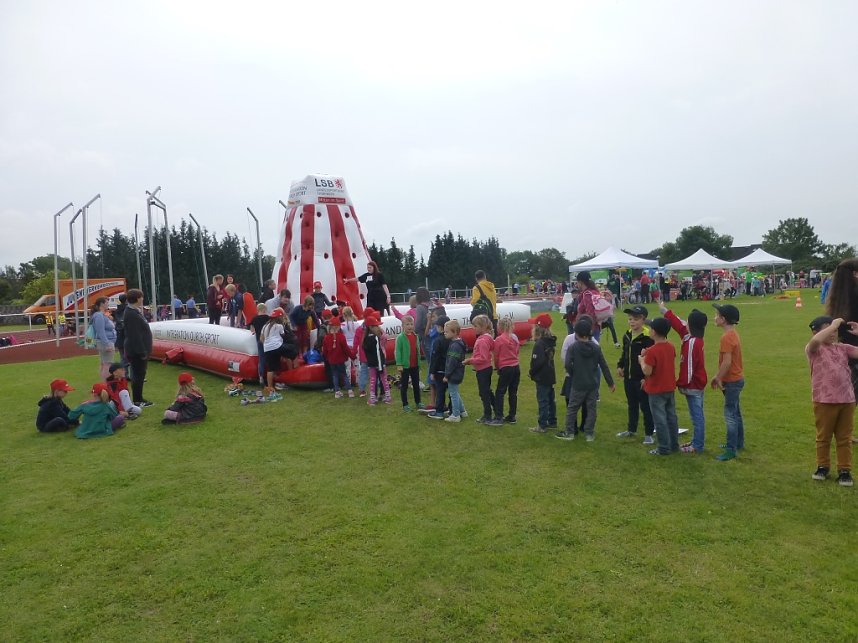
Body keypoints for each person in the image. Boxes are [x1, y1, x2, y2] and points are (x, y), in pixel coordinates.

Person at [805, 316, 858, 486]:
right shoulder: (814, 349)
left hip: (847, 400)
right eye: (828, 329)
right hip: (824, 401)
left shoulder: (843, 348)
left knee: (844, 438)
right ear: (816, 331)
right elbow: (815, 341)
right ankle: (823, 466)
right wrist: (834, 324)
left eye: (835, 330)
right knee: (824, 437)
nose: (833, 333)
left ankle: (844, 470)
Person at [659, 302, 708, 454]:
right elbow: (679, 325)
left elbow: (689, 367)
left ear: (692, 325)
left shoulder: (693, 343)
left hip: (693, 386)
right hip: (693, 385)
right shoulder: (690, 337)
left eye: (688, 321)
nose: (685, 323)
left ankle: (697, 446)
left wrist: (680, 383)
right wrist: (666, 312)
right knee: (696, 414)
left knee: (697, 416)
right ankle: (695, 441)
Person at [556, 317, 615, 441]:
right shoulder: (596, 348)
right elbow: (603, 366)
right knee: (591, 408)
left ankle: (570, 432)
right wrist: (610, 383)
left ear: (576, 334)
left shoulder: (573, 347)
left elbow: (567, 364)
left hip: (578, 383)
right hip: (592, 384)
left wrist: (572, 373)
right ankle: (589, 433)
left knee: (572, 408)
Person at [616, 305, 656, 444]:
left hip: (641, 379)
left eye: (636, 319)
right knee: (632, 404)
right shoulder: (627, 335)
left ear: (643, 320)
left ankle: (649, 434)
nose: (632, 322)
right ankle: (631, 429)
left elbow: (652, 361)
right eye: (630, 319)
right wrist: (620, 366)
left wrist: (647, 378)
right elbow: (625, 353)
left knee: (645, 406)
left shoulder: (648, 338)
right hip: (629, 377)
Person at [639, 317, 679, 455]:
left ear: (654, 332)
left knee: (660, 419)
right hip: (669, 387)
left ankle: (663, 447)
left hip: (656, 390)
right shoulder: (671, 346)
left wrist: (642, 361)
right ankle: (674, 444)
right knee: (671, 417)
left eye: (650, 328)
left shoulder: (652, 352)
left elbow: (647, 371)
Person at [711, 303, 745, 461]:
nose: (715, 317)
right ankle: (738, 442)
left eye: (717, 315)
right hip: (736, 379)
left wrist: (717, 377)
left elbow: (727, 362)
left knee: (730, 414)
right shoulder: (733, 334)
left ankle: (731, 449)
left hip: (731, 381)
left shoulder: (726, 337)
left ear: (723, 319)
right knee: (736, 413)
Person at [464, 314, 497, 425]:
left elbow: (482, 358)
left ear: (483, 327)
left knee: (484, 393)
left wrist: (470, 360)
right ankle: (497, 410)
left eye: (476, 326)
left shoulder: (482, 340)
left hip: (483, 369)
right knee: (487, 391)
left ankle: (487, 415)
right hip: (486, 368)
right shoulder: (487, 338)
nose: (474, 328)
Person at [123, 289, 154, 408]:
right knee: (138, 375)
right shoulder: (131, 314)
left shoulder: (133, 312)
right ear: (136, 298)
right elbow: (134, 335)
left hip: (137, 349)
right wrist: (142, 352)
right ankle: (137, 400)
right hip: (136, 351)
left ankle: (138, 398)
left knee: (139, 375)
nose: (142, 299)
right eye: (141, 297)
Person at [431, 319, 466, 422]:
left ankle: (455, 415)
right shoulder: (458, 342)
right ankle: (462, 411)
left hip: (453, 374)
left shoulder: (454, 346)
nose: (444, 333)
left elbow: (451, 362)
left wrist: (447, 375)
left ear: (454, 332)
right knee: (455, 392)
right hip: (457, 373)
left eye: (447, 332)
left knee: (453, 394)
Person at [528, 314, 557, 433]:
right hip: (550, 374)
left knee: (543, 400)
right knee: (550, 399)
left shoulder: (539, 344)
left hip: (542, 376)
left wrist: (531, 372)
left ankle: (542, 425)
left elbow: (537, 362)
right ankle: (552, 421)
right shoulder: (550, 341)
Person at [261, 308, 298, 399]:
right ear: (279, 317)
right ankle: (295, 375)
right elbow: (284, 336)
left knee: (270, 369)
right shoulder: (279, 326)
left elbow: (262, 339)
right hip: (277, 346)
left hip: (267, 348)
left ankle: (270, 387)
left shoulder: (265, 326)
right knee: (294, 351)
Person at [493, 317, 520, 425]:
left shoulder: (499, 339)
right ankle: (512, 415)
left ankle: (499, 416)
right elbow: (517, 351)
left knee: (500, 392)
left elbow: (496, 355)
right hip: (516, 366)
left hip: (505, 367)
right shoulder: (515, 338)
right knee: (513, 392)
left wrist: (497, 367)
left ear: (500, 327)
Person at [322, 316, 355, 399]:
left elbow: (325, 350)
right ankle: (350, 391)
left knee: (335, 375)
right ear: (339, 326)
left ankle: (337, 392)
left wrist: (325, 357)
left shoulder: (326, 338)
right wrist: (352, 356)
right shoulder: (341, 337)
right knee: (344, 375)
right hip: (341, 359)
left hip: (332, 360)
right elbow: (346, 349)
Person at [394, 315, 423, 411]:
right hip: (405, 366)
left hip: (415, 365)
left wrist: (419, 363)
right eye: (407, 324)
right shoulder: (400, 338)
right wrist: (399, 364)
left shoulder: (416, 336)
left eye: (411, 324)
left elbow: (417, 350)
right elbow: (397, 351)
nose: (410, 326)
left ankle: (418, 402)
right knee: (404, 385)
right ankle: (405, 404)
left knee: (416, 384)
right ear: (402, 326)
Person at [362, 313, 391, 405]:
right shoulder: (375, 338)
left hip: (373, 364)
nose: (378, 327)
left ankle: (373, 398)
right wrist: (380, 365)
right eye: (376, 326)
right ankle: (387, 397)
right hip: (379, 363)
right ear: (371, 327)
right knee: (383, 379)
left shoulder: (365, 339)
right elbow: (378, 352)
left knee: (374, 380)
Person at [425, 315, 450, 417]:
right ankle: (453, 409)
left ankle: (439, 411)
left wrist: (432, 371)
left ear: (440, 327)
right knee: (450, 391)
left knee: (440, 390)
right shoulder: (451, 339)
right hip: (448, 369)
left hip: (439, 370)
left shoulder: (438, 341)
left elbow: (435, 357)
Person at [90, 297, 117, 380]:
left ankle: (104, 383)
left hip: (106, 342)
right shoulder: (99, 315)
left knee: (104, 363)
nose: (108, 304)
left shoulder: (101, 315)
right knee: (107, 364)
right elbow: (100, 331)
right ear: (102, 304)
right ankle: (106, 384)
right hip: (106, 342)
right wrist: (107, 344)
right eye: (107, 302)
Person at [575, 271, 604, 342]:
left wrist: (588, 331)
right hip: (594, 327)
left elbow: (590, 315)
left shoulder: (587, 295)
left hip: (587, 330)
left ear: (581, 282)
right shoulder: (594, 292)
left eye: (577, 282)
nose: (577, 285)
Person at [249, 303, 270, 385]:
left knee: (261, 359)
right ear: (265, 310)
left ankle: (261, 376)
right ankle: (270, 375)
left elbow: (252, 330)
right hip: (268, 340)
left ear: (258, 310)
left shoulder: (254, 319)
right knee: (269, 358)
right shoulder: (268, 318)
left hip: (259, 340)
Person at [340, 306, 359, 395]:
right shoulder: (356, 324)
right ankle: (358, 382)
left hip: (346, 347)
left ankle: (348, 383)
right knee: (357, 365)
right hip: (355, 346)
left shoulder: (342, 325)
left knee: (347, 366)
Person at [113, 294, 127, 360]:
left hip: (119, 334)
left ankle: (124, 368)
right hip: (126, 335)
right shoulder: (128, 309)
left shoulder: (117, 310)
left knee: (122, 355)